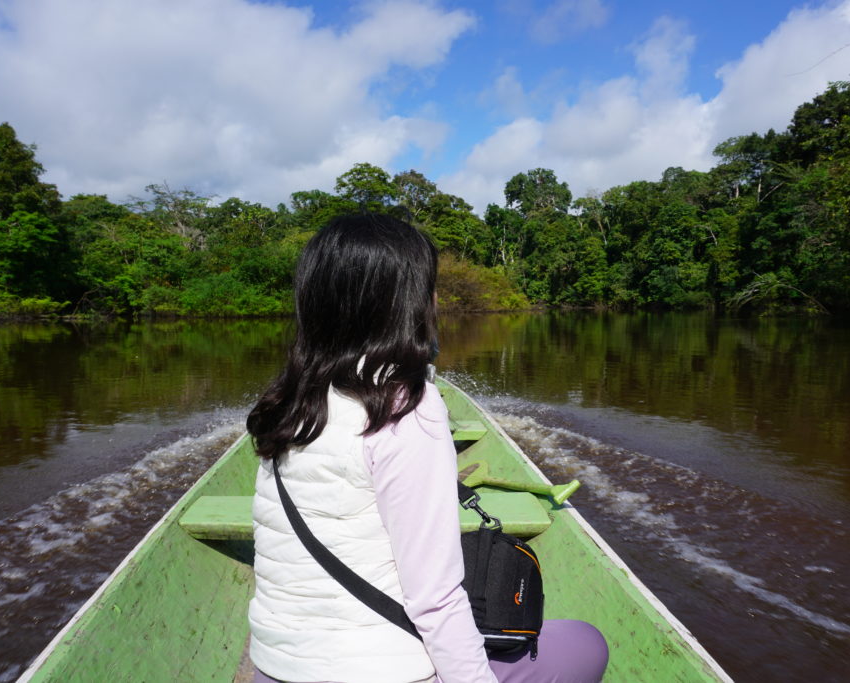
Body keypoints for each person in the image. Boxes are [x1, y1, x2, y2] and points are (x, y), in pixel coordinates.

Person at [245, 213, 608, 683]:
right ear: (404, 304)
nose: (436, 300)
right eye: (428, 287)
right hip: (383, 671)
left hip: (272, 668)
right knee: (584, 644)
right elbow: (434, 598)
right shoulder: (406, 407)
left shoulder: (288, 399)